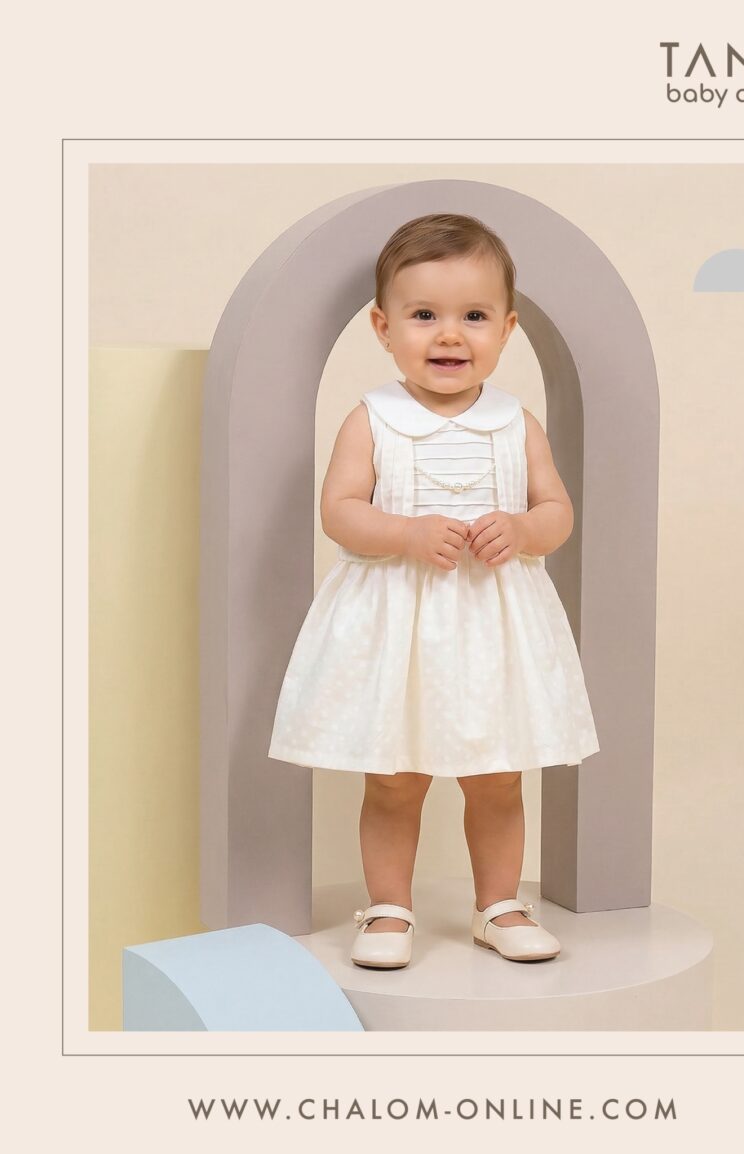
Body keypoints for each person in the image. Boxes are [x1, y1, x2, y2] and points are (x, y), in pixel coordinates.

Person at [268, 212, 600, 969]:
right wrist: (406, 532)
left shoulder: (516, 424)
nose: (450, 335)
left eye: (474, 316)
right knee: (393, 778)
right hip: (399, 631)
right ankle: (389, 907)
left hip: (491, 627)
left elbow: (557, 512)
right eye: (424, 315)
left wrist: (522, 527)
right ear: (384, 327)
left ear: (507, 329)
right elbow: (339, 511)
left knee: (499, 776)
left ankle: (499, 904)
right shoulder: (372, 420)